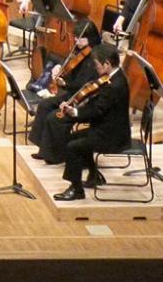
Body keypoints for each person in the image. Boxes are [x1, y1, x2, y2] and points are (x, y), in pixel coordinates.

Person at [53, 46, 130, 201]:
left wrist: (75, 112)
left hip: (112, 136)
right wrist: (76, 108)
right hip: (107, 128)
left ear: (107, 64)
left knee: (73, 147)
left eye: (97, 65)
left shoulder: (114, 85)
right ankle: (95, 175)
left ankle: (76, 190)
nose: (96, 68)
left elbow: (97, 110)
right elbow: (98, 105)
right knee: (74, 138)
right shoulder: (115, 77)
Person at [30, 20, 102, 163]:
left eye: (81, 38)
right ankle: (42, 148)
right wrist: (60, 70)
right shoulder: (79, 51)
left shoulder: (94, 58)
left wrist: (65, 83)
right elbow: (71, 72)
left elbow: (83, 85)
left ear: (91, 38)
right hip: (71, 92)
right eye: (76, 37)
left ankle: (54, 155)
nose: (77, 40)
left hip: (82, 99)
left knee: (53, 116)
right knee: (45, 106)